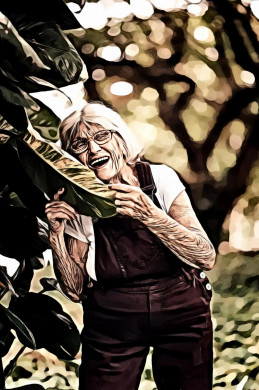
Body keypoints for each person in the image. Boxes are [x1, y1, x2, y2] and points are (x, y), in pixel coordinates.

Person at [45, 101, 216, 390]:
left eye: (102, 136)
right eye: (80, 145)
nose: (94, 150)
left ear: (120, 138)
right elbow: (74, 290)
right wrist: (55, 236)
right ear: (72, 157)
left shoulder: (159, 178)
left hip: (181, 310)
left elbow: (205, 256)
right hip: (113, 321)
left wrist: (151, 215)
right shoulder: (76, 203)